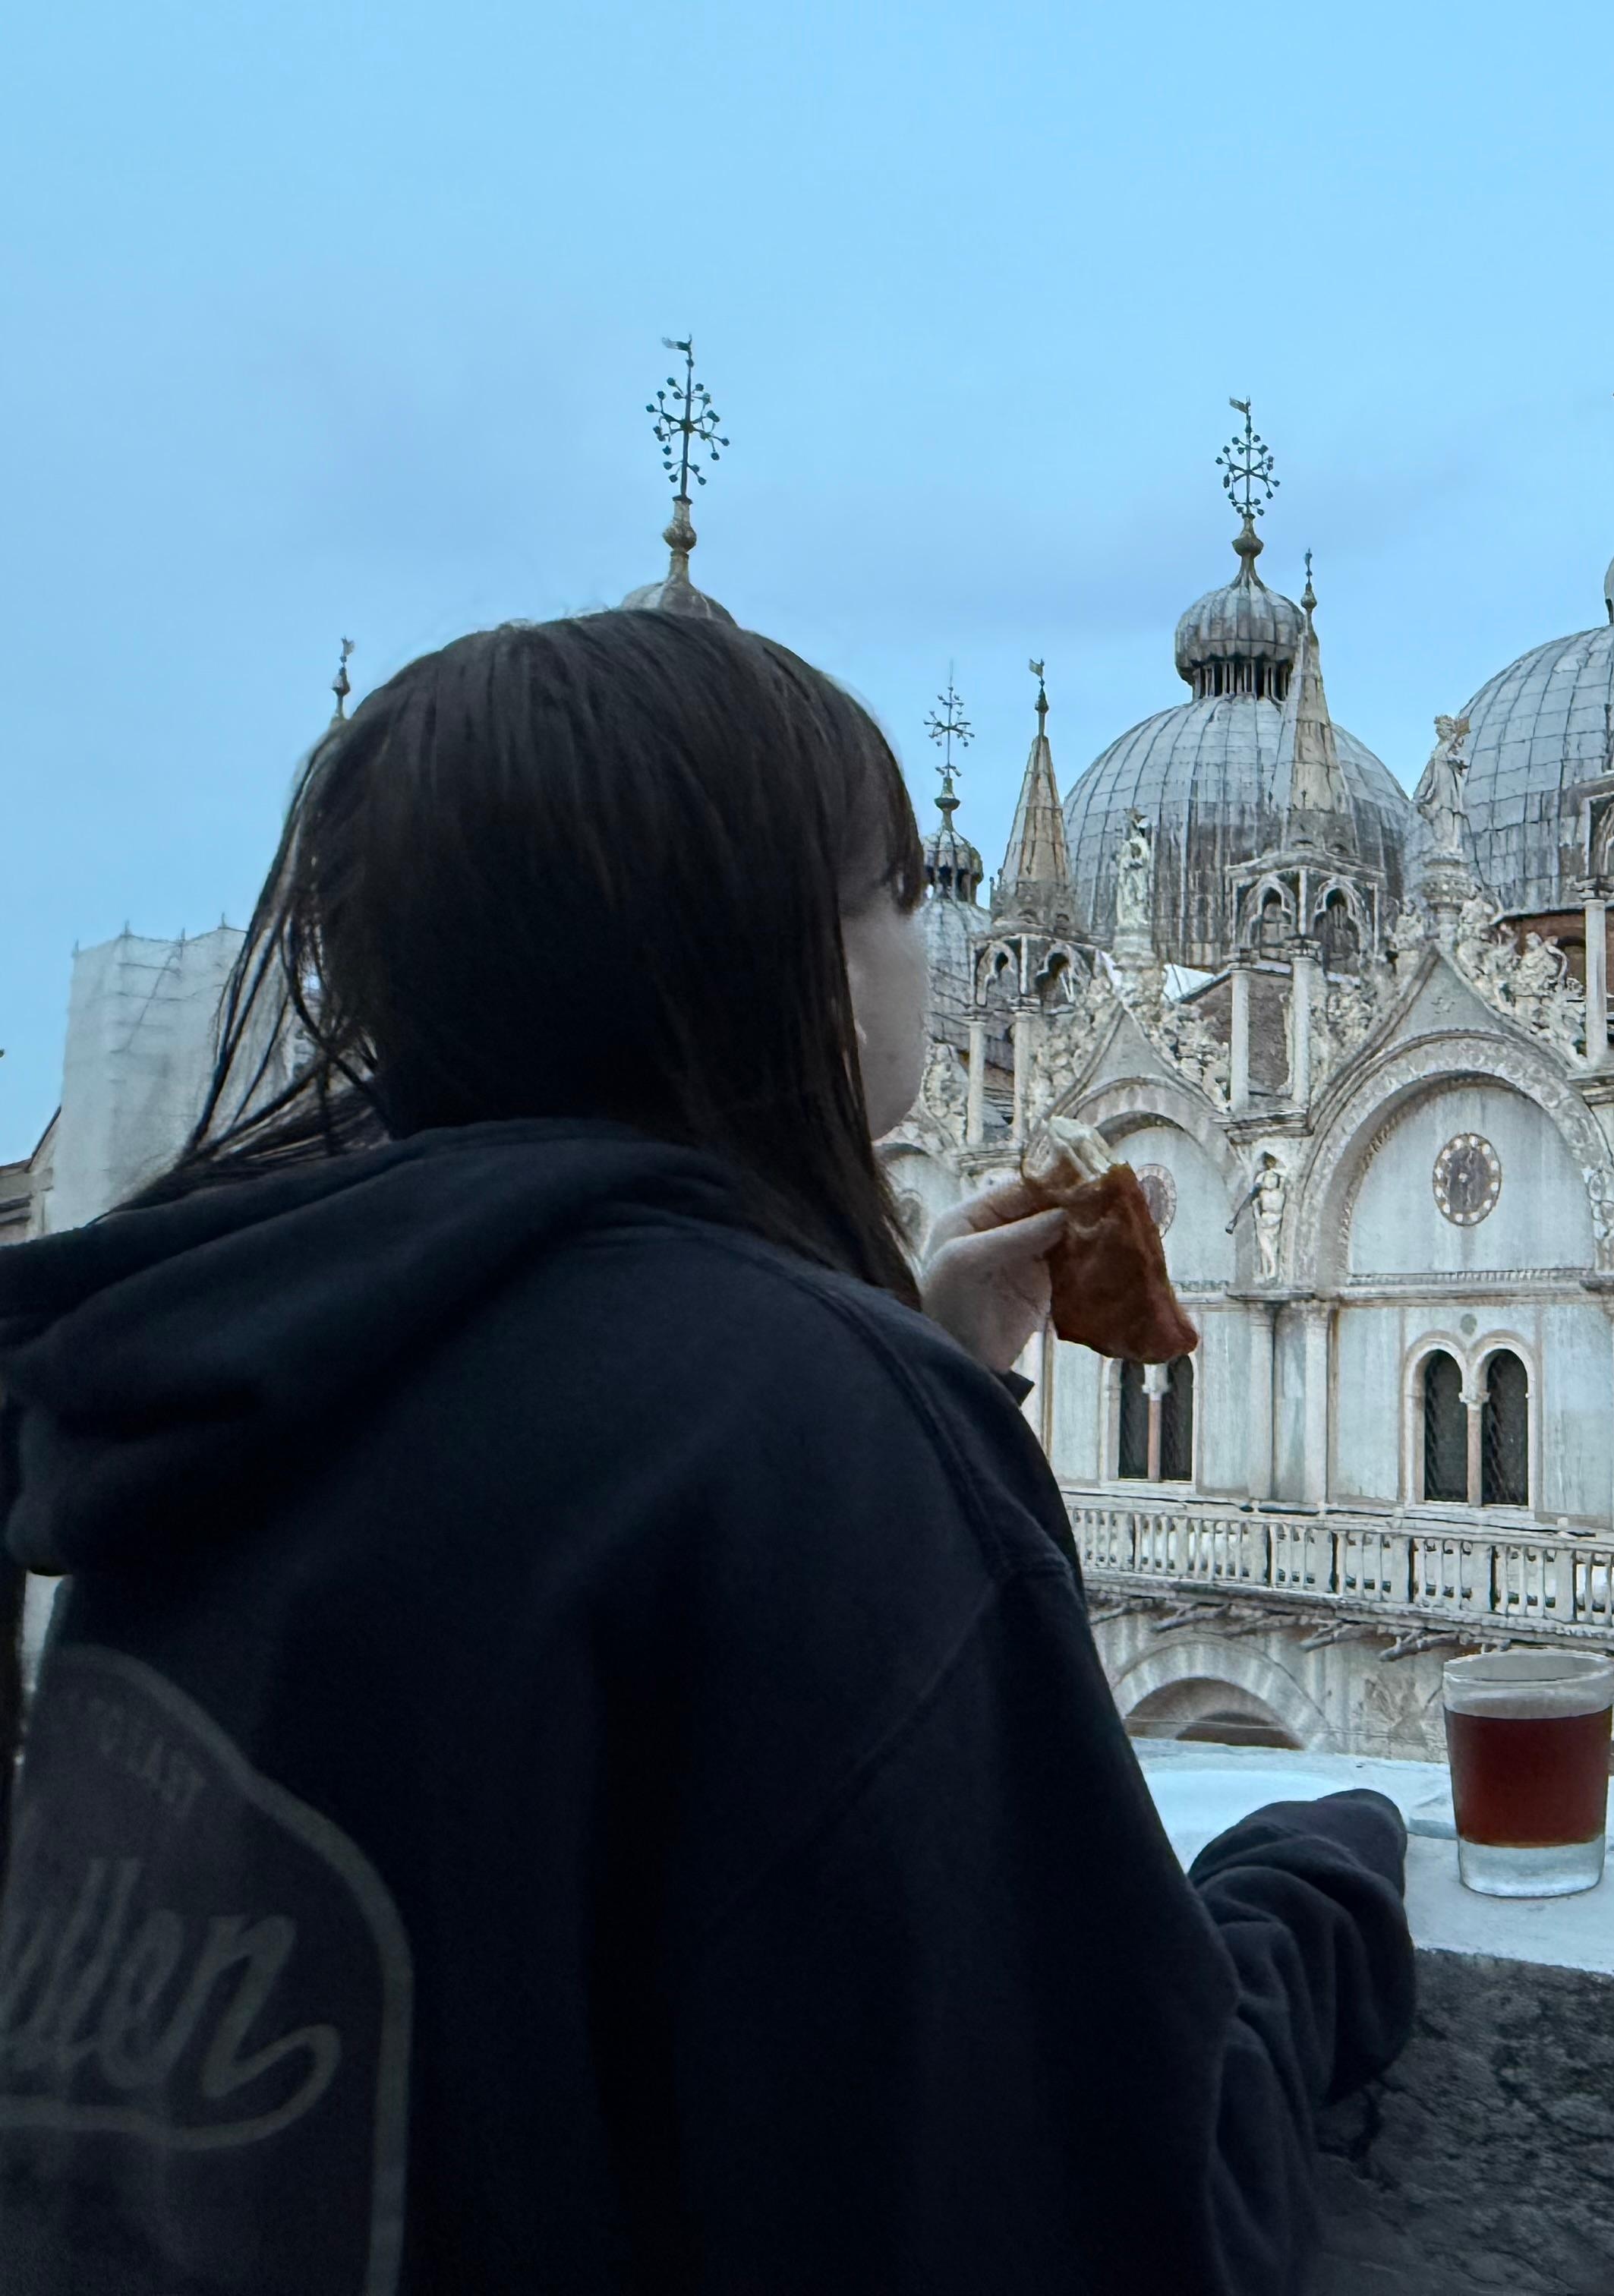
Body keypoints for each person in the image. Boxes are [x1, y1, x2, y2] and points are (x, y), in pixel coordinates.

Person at [0, 611, 1414, 2294]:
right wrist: (1326, 1877)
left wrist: (914, 1352)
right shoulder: (802, 1436)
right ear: (783, 955)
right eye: (902, 894)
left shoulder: (229, 1376)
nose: (931, 946)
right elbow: (1125, 2208)